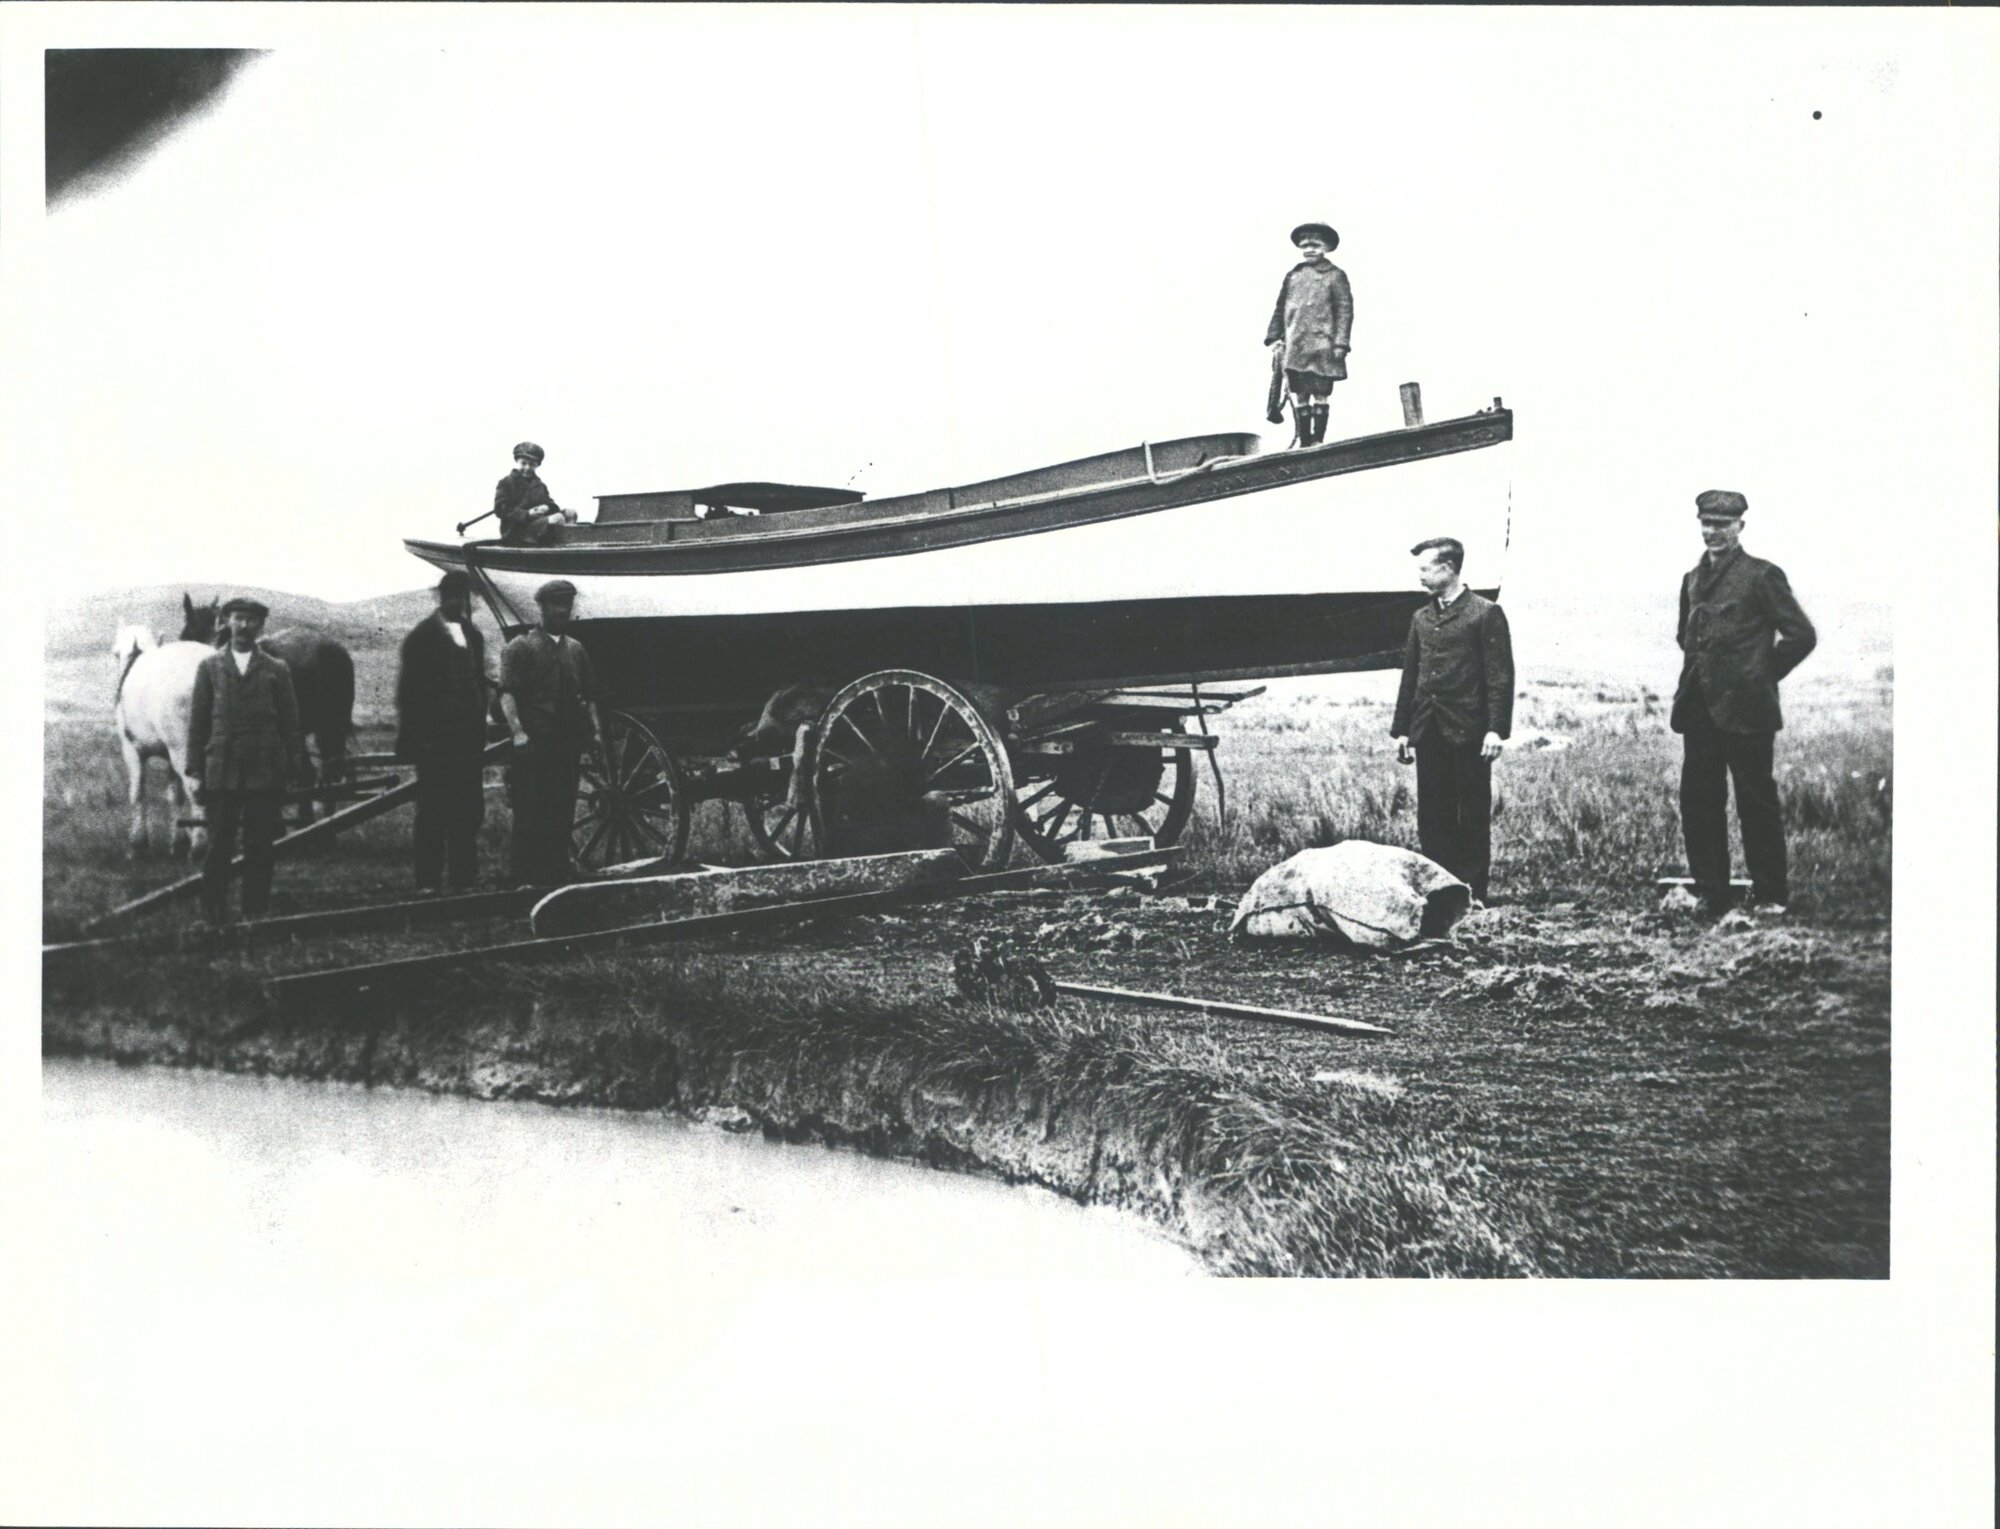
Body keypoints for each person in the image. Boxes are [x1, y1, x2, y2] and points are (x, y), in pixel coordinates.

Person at [1672, 489, 1816, 914]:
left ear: (1740, 526)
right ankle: (1712, 893)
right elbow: (1687, 637)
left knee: (1755, 802)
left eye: (1722, 524)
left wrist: (1758, 674)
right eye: (1706, 523)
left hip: (1748, 710)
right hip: (1700, 709)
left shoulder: (1761, 575)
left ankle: (1771, 895)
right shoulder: (1692, 580)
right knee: (1699, 801)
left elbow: (1800, 635)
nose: (1712, 531)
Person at [1391, 537, 1514, 903]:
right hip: (1428, 729)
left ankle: (1473, 892)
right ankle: (1439, 891)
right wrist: (1402, 730)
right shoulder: (1421, 617)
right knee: (1433, 813)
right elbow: (1410, 675)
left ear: (1448, 568)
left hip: (1470, 731)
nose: (1420, 577)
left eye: (1425, 569)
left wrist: (1496, 729)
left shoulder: (1485, 613)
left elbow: (1499, 676)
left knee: (1470, 813)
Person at [184, 596, 308, 924]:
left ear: (260, 626)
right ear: (226, 622)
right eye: (237, 618)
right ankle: (213, 915)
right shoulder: (209, 668)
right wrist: (194, 771)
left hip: (263, 770)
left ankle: (255, 912)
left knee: (260, 846)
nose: (243, 625)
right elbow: (198, 724)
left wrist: (295, 764)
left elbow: (290, 724)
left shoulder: (276, 670)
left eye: (251, 620)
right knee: (219, 846)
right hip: (221, 770)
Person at [498, 578, 608, 886]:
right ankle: (526, 879)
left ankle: (556, 875)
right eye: (556, 604)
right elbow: (507, 694)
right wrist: (518, 732)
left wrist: (596, 734)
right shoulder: (521, 648)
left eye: (567, 605)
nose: (562, 611)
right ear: (542, 608)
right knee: (531, 810)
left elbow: (590, 697)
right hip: (534, 743)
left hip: (567, 742)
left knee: (562, 809)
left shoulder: (576, 650)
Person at [395, 570, 493, 894]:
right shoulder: (422, 637)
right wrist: (417, 740)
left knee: (467, 811)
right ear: (441, 598)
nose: (457, 602)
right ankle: (428, 882)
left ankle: (464, 880)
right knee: (433, 812)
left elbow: (479, 683)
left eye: (463, 596)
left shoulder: (473, 635)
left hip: (467, 741)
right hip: (435, 743)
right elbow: (408, 693)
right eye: (451, 595)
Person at [1264, 222, 1354, 449]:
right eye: (1305, 246)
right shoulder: (1293, 276)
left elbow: (1345, 310)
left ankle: (1318, 439)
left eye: (1315, 245)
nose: (1310, 250)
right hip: (1296, 345)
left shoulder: (1335, 276)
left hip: (1323, 345)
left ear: (1326, 247)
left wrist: (1341, 343)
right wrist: (1274, 336)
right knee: (1301, 394)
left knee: (1320, 393)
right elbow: (1280, 307)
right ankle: (1304, 440)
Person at [493, 441, 575, 546]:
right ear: (517, 461)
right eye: (523, 463)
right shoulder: (506, 483)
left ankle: (571, 543)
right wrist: (527, 514)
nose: (527, 467)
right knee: (558, 518)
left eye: (532, 464)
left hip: (537, 525)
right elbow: (500, 510)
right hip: (517, 531)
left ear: (537, 465)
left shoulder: (540, 485)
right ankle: (562, 545)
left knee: (571, 513)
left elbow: (551, 503)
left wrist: (548, 507)